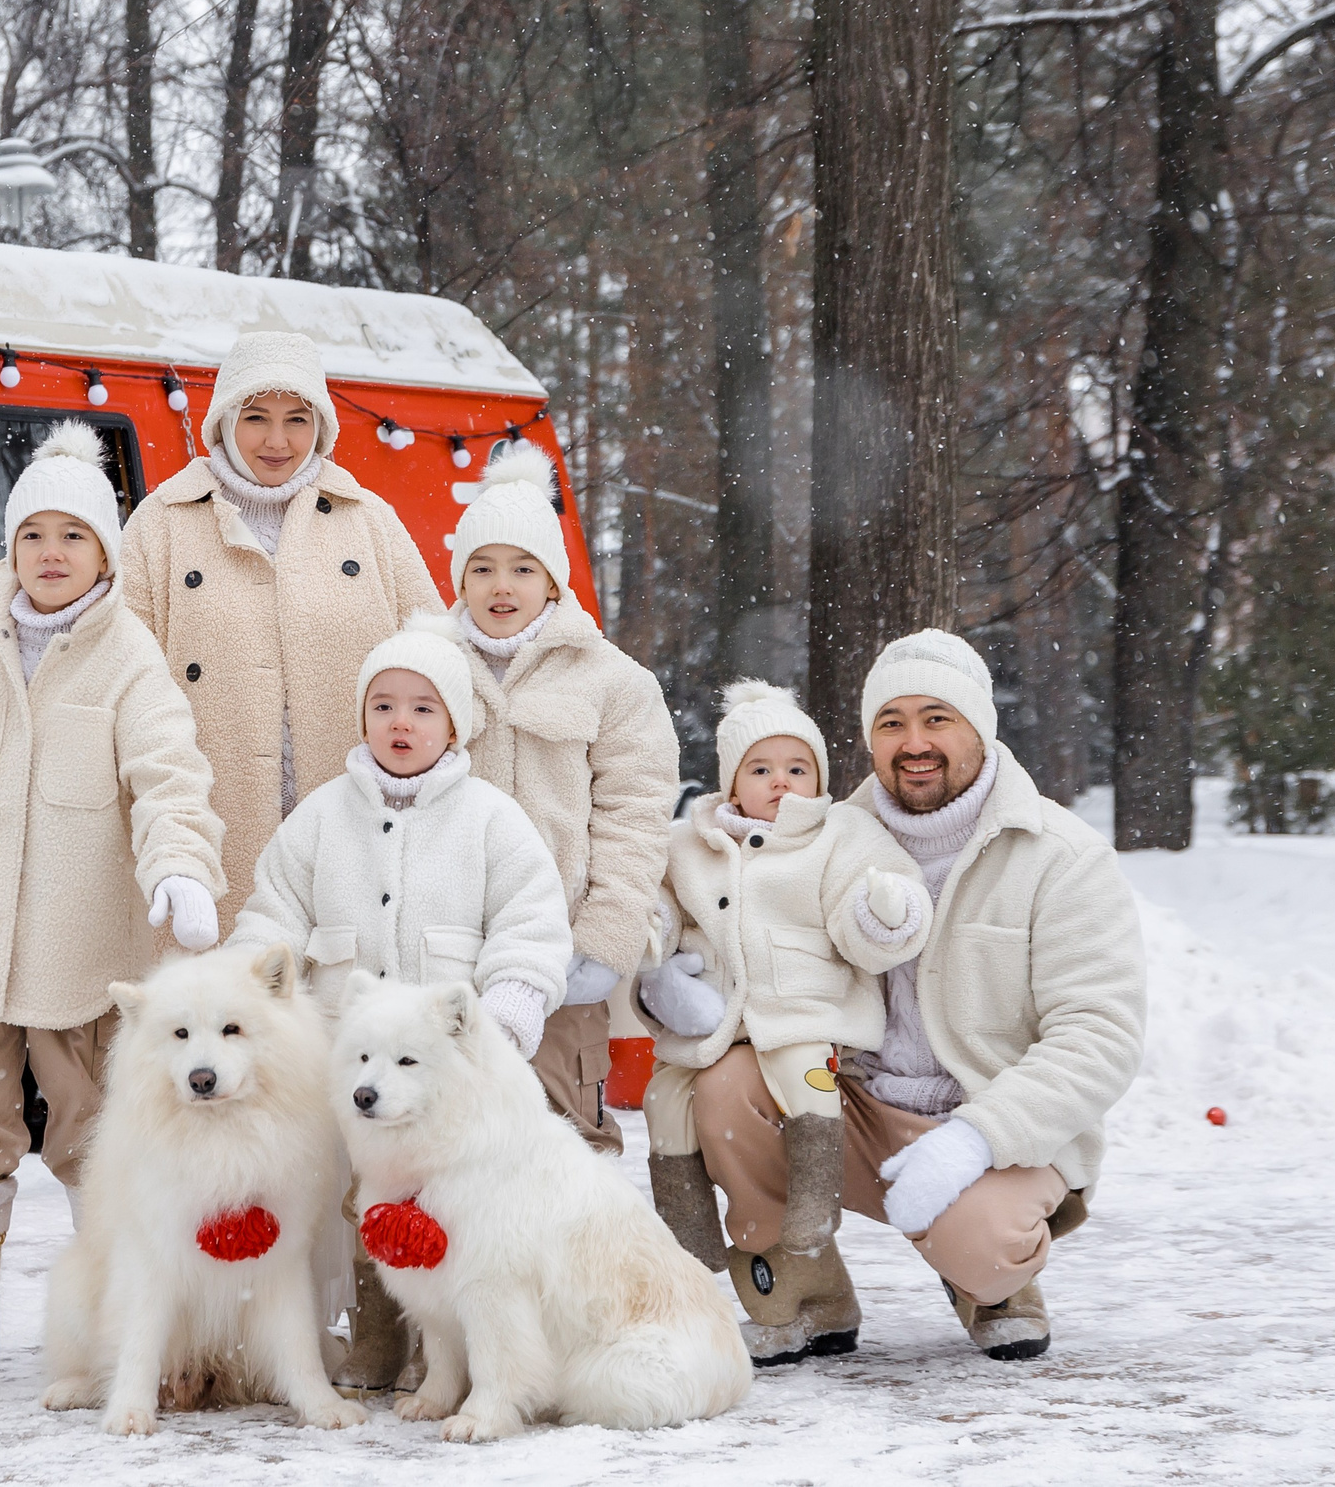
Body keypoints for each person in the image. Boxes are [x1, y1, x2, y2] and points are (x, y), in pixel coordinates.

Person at [0, 420, 227, 1409]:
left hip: (82, 962)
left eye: (73, 536)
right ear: (10, 546)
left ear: (103, 551)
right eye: (33, 536)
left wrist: (183, 869)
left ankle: (109, 1328)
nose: (51, 554)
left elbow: (169, 777)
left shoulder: (127, 657)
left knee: (94, 1146)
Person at [672, 629, 1146, 1363]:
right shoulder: (816, 836)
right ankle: (806, 1285)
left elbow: (1100, 1035)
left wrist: (974, 1139)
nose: (914, 741)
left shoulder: (1061, 854)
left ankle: (990, 1282)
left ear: (979, 726)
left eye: (937, 717)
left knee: (986, 1244)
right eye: (891, 721)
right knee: (728, 1086)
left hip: (990, 1123)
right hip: (845, 1109)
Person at [227, 611, 571, 1394]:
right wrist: (243, 999)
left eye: (423, 707)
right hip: (353, 1063)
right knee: (361, 1196)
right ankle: (377, 1329)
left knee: (446, 1198)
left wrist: (511, 1006)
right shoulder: (319, 816)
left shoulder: (492, 818)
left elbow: (530, 919)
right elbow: (272, 915)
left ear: (453, 722)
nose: (401, 722)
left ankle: (441, 1339)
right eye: (383, 705)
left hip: (446, 1073)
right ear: (362, 718)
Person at [634, 680, 931, 1365]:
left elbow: (880, 907)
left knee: (806, 1079)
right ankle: (690, 1225)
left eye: (798, 769)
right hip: (711, 1020)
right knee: (666, 1097)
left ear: (820, 779)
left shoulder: (839, 836)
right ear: (731, 781)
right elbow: (658, 910)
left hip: (801, 1012)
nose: (780, 783)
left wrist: (884, 912)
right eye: (761, 769)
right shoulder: (691, 843)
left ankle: (811, 1205)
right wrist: (653, 948)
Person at [117, 330, 443, 932]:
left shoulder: (369, 521)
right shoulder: (161, 524)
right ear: (222, 421)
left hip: (356, 821)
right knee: (231, 1012)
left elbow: (440, 660)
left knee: (338, 1007)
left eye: (297, 419)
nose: (277, 440)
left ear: (320, 425)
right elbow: (116, 674)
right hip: (211, 823)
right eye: (257, 417)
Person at [444, 443, 679, 1154]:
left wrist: (605, 940)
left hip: (561, 959)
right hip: (449, 951)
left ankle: (570, 1266)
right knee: (436, 1143)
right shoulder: (431, 669)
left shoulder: (614, 681)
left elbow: (636, 818)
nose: (501, 585)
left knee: (565, 1142)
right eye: (482, 567)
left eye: (523, 567)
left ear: (554, 579)